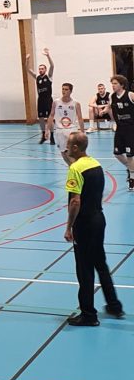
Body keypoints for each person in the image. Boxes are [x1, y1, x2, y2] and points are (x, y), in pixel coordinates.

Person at [64, 131, 124, 326]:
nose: (66, 147)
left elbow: (75, 201)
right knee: (100, 264)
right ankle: (114, 306)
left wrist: (69, 227)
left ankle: (88, 315)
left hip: (84, 225)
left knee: (85, 270)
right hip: (99, 219)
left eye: (68, 144)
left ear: (75, 147)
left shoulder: (75, 169)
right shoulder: (96, 164)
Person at [45, 83, 84, 166]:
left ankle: (76, 168)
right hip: (59, 130)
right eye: (63, 89)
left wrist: (82, 132)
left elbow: (80, 118)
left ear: (71, 91)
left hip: (72, 130)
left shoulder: (76, 103)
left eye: (66, 89)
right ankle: (71, 168)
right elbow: (51, 116)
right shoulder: (56, 102)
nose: (64, 91)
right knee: (63, 152)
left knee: (71, 152)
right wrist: (47, 130)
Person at [110, 75, 134, 191]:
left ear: (122, 85)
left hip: (130, 128)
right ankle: (130, 168)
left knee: (130, 155)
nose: (113, 86)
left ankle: (132, 179)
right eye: (112, 83)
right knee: (117, 153)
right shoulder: (113, 97)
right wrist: (106, 110)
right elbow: (111, 109)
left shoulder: (130, 95)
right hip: (120, 128)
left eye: (115, 83)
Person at [25, 48, 54, 144]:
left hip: (48, 100)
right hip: (40, 100)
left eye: (42, 69)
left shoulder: (49, 76)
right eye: (40, 69)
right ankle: (43, 135)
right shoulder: (37, 77)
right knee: (41, 119)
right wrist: (27, 60)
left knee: (49, 118)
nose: (41, 70)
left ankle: (52, 136)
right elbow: (27, 69)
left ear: (45, 69)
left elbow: (52, 66)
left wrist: (48, 55)